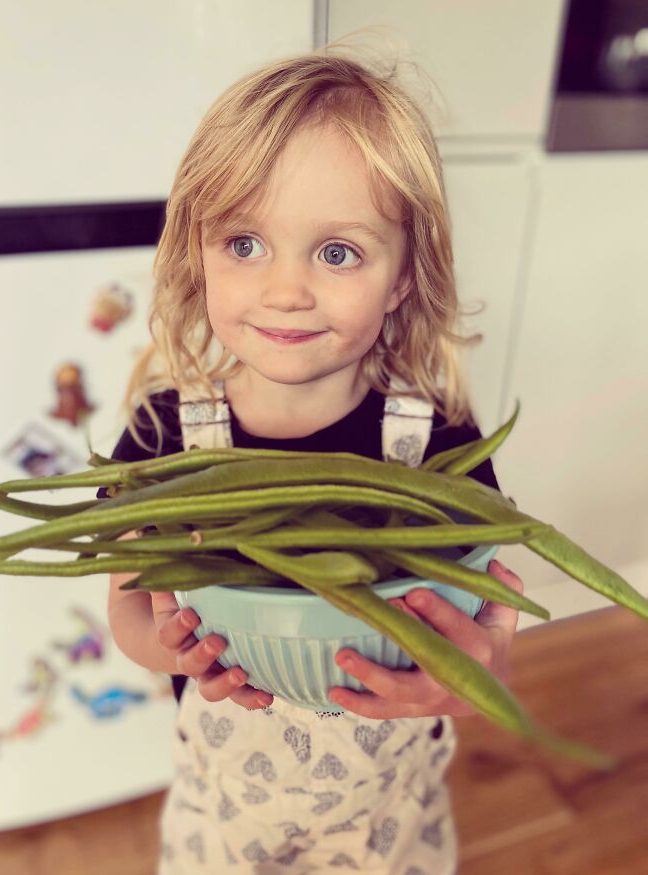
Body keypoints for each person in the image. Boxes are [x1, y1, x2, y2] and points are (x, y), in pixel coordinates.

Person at [101, 38, 524, 875]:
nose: (286, 289)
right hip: (226, 813)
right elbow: (128, 608)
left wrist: (477, 674)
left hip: (383, 822)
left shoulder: (435, 442)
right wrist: (170, 647)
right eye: (246, 244)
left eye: (337, 253)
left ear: (402, 277)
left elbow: (484, 624)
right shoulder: (164, 438)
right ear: (198, 249)